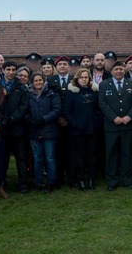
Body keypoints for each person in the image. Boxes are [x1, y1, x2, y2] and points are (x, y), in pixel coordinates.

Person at [99, 60, 132, 191]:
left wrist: (129, 117)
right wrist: (114, 117)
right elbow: (102, 103)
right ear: (111, 72)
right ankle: (112, 181)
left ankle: (127, 180)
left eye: (121, 69)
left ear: (125, 71)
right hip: (111, 127)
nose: (118, 71)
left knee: (127, 153)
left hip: (128, 125)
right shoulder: (104, 85)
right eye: (116, 69)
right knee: (111, 154)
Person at [64, 68, 102, 191]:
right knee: (79, 156)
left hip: (92, 129)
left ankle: (91, 179)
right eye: (81, 77)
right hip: (77, 130)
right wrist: (75, 124)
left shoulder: (95, 91)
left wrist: (97, 122)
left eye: (86, 77)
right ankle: (80, 179)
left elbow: (100, 109)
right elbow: (66, 111)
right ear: (77, 79)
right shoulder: (71, 92)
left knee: (92, 155)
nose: (84, 79)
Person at [26, 72, 61, 193]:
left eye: (40, 80)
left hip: (49, 130)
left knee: (50, 158)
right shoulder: (28, 95)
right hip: (34, 131)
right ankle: (38, 182)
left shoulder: (52, 93)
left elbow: (56, 110)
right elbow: (25, 110)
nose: (38, 83)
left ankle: (51, 182)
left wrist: (43, 119)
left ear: (44, 80)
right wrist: (30, 120)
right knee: (37, 159)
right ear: (32, 82)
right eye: (35, 81)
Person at [2, 61, 29, 194]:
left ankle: (23, 183)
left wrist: (12, 118)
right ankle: (2, 182)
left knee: (21, 157)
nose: (11, 72)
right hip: (3, 128)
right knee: (3, 157)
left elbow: (24, 106)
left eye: (13, 69)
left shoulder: (21, 87)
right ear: (3, 70)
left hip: (18, 128)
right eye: (8, 69)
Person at [47, 56, 74, 187]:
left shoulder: (74, 79)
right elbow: (48, 101)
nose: (62, 66)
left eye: (65, 64)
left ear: (68, 66)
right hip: (55, 122)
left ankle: (71, 176)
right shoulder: (50, 80)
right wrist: (58, 117)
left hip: (70, 122)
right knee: (56, 152)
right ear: (56, 67)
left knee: (70, 151)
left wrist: (68, 118)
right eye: (60, 64)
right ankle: (58, 178)